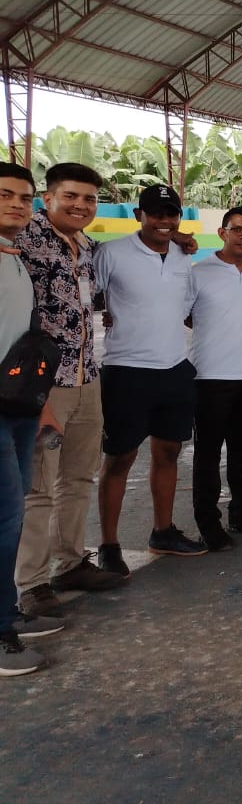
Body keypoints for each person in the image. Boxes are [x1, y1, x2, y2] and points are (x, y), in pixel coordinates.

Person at [14, 163, 123, 618]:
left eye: (89, 199)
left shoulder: (87, 246)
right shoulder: (24, 240)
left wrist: (176, 237)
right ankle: (32, 583)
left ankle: (71, 562)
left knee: (78, 477)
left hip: (86, 376)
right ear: (48, 198)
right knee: (38, 486)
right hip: (44, 385)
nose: (81, 205)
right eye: (71, 196)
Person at [95, 185, 206, 566]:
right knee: (120, 458)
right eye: (155, 213)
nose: (164, 220)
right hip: (126, 371)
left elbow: (184, 307)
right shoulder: (112, 253)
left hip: (174, 369)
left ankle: (163, 532)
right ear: (138, 215)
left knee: (169, 452)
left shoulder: (181, 256)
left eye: (171, 214)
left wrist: (179, 239)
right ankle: (109, 546)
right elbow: (86, 295)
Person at [1, 162, 64, 676]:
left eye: (24, 197)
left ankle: (7, 614)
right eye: (5, 195)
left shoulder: (15, 258)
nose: (17, 205)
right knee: (4, 518)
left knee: (11, 514)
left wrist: (40, 403)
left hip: (18, 407)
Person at [187, 207, 242, 551]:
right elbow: (183, 315)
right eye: (237, 229)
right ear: (222, 233)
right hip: (210, 376)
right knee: (208, 454)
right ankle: (208, 523)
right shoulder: (198, 272)